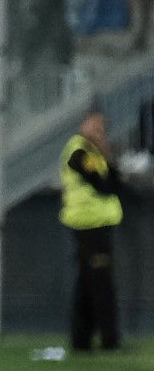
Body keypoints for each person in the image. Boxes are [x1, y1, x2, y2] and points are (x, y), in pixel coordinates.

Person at [61, 110, 124, 353]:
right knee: (100, 283)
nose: (100, 131)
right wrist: (104, 155)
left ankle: (81, 340)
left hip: (97, 224)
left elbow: (115, 182)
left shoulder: (94, 152)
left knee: (87, 283)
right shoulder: (79, 152)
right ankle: (109, 339)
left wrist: (105, 151)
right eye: (95, 126)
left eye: (102, 126)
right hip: (88, 225)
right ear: (84, 125)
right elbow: (104, 185)